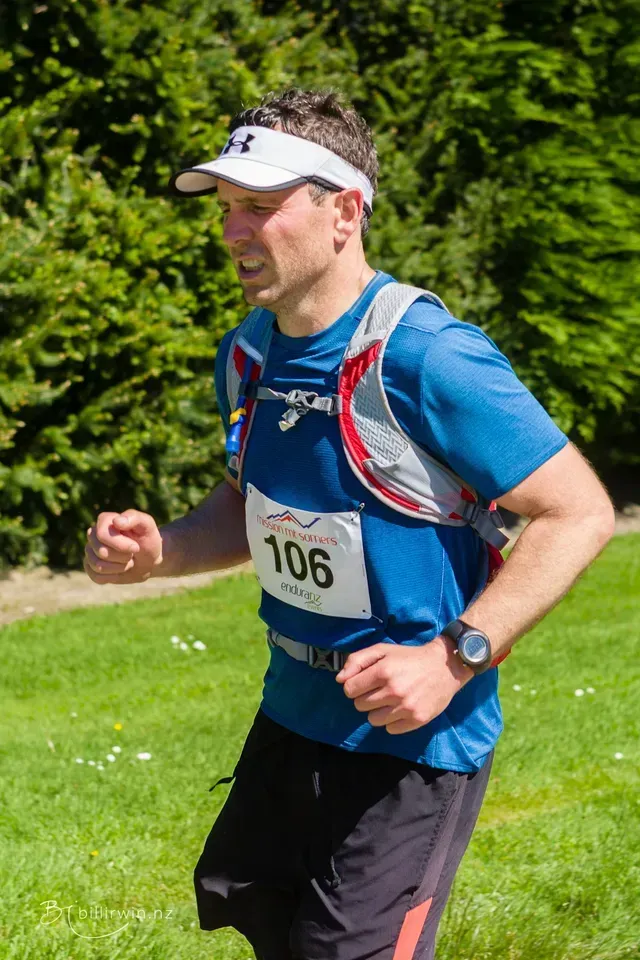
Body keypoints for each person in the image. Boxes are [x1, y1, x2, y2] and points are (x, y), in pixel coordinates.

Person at [84, 89, 615, 960]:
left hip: (413, 747)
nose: (232, 232)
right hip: (291, 718)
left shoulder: (426, 356)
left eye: (260, 206)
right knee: (267, 927)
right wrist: (161, 552)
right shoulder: (250, 354)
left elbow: (579, 512)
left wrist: (455, 657)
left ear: (345, 210)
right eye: (226, 209)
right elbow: (245, 506)